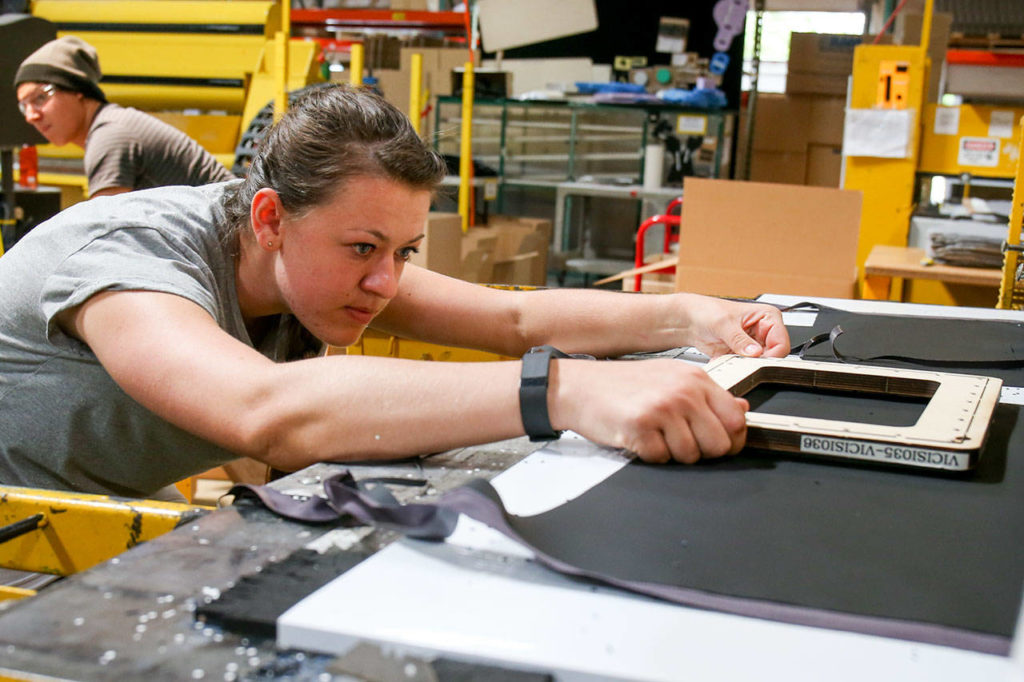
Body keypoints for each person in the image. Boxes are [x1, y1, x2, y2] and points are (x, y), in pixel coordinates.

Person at [0, 83, 790, 502]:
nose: (385, 282)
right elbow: (266, 411)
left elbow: (512, 315)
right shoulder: (130, 260)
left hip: (90, 507)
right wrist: (570, 389)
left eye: (404, 251)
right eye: (363, 249)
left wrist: (695, 313)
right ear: (272, 216)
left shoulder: (310, 263)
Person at [14, 36, 235, 198]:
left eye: (41, 98)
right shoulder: (111, 125)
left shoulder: (110, 135)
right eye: (24, 106)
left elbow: (106, 235)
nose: (31, 116)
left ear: (76, 89)